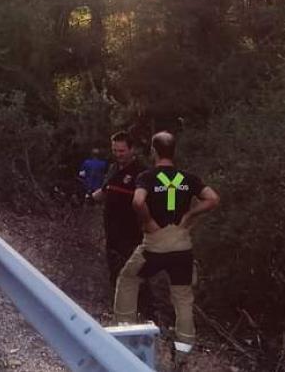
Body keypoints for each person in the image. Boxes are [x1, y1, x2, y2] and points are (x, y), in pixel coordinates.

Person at [114, 131, 219, 360]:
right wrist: (190, 214)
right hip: (182, 245)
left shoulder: (148, 177)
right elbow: (213, 198)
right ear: (174, 151)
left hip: (155, 245)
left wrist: (148, 221)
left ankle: (124, 337)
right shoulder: (188, 178)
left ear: (153, 151)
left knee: (128, 279)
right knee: (183, 298)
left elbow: (138, 201)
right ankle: (183, 354)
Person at [90, 131, 151, 319]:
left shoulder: (142, 172)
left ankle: (148, 316)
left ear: (132, 150)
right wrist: (88, 198)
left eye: (122, 150)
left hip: (132, 234)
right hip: (112, 232)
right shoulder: (113, 168)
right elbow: (105, 191)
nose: (118, 154)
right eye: (115, 150)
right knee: (115, 274)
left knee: (135, 276)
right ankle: (120, 315)